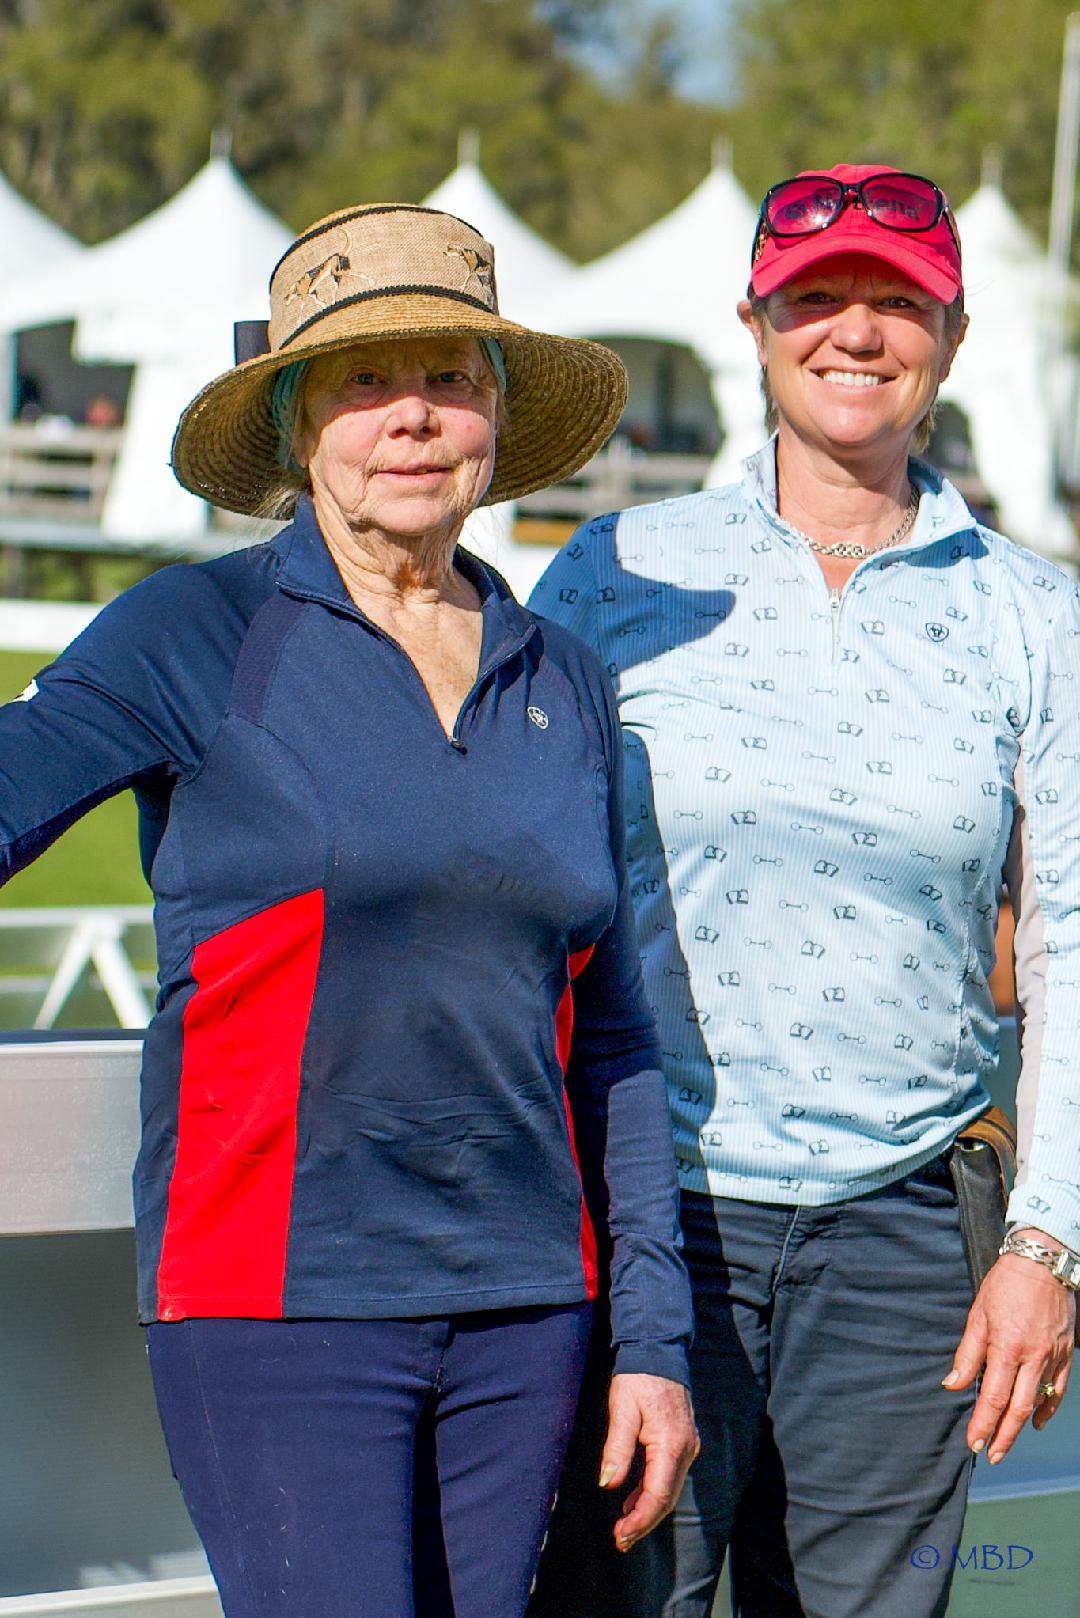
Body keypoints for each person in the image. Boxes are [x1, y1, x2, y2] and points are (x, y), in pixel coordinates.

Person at [0, 203, 697, 1618]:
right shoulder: (194, 633)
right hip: (278, 1301)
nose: (412, 418)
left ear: (498, 420)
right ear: (297, 426)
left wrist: (656, 1338)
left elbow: (611, 1036)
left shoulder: (561, 670)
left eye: (451, 377)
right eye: (364, 382)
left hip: (529, 1313)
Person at [527, 165, 1079, 1618]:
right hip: (649, 1220)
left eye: (896, 302)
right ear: (754, 328)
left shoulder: (1034, 614)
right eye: (815, 298)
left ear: (951, 338)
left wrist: (1047, 1241)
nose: (855, 330)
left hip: (908, 1241)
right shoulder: (616, 569)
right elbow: (509, 867)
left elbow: (1075, 937)